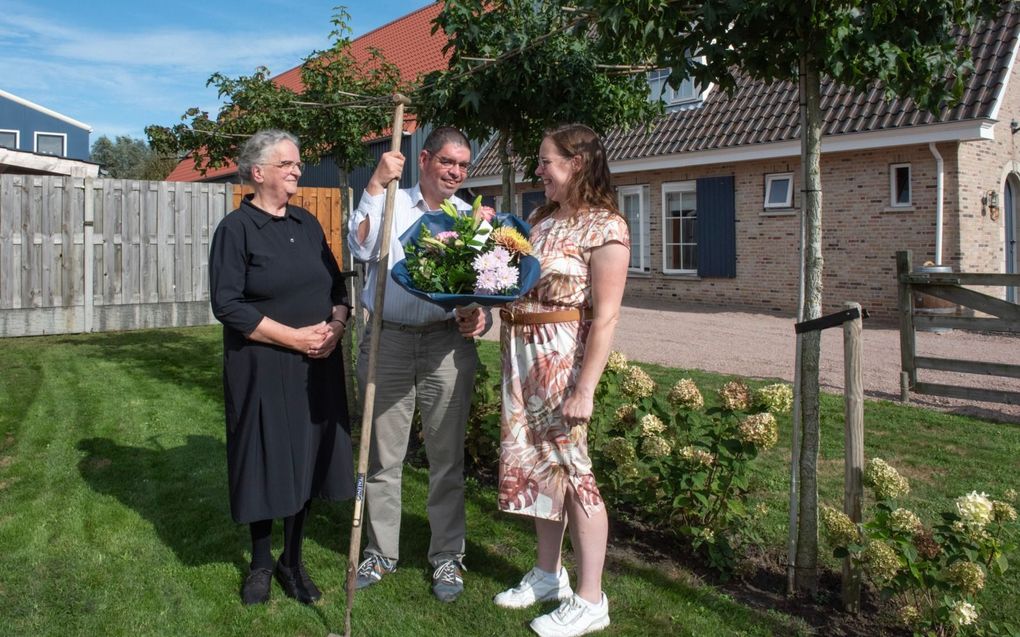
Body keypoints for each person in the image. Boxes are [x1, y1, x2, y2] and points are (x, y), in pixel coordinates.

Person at [494, 124, 630, 637]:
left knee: (574, 473)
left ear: (576, 163)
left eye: (546, 162)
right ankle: (548, 576)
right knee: (537, 469)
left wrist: (585, 388)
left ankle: (592, 600)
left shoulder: (606, 227)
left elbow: (607, 316)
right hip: (520, 359)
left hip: (561, 363)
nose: (538, 170)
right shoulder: (541, 219)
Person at [209, 130, 354, 606]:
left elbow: (337, 286)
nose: (297, 170)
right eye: (288, 164)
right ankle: (259, 563)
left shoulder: (308, 224)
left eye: (297, 163)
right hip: (263, 364)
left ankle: (292, 561)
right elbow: (227, 304)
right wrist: (293, 337)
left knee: (307, 458)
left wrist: (335, 325)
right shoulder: (236, 230)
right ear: (258, 172)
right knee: (264, 458)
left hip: (317, 366)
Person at [347, 126, 488, 602]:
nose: (456, 173)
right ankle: (381, 551)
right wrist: (372, 184)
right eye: (448, 162)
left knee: (446, 460)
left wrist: (479, 317)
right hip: (388, 341)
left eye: (463, 165)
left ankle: (447, 557)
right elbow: (360, 247)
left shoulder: (470, 218)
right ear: (424, 159)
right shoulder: (391, 200)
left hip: (446, 347)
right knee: (383, 456)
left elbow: (481, 290)